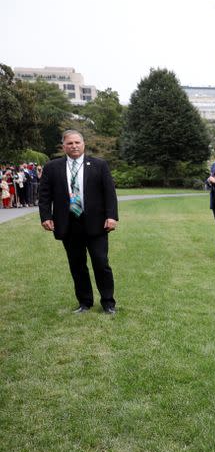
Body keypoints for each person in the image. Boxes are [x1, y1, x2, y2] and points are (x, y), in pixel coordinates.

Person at [38, 130, 118, 314]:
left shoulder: (99, 165)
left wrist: (112, 216)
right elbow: (44, 195)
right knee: (77, 265)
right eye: (69, 143)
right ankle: (85, 302)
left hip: (96, 223)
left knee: (101, 263)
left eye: (77, 142)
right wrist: (46, 217)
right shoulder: (52, 167)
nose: (74, 146)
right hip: (68, 224)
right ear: (63, 146)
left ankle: (108, 303)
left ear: (84, 144)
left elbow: (109, 193)